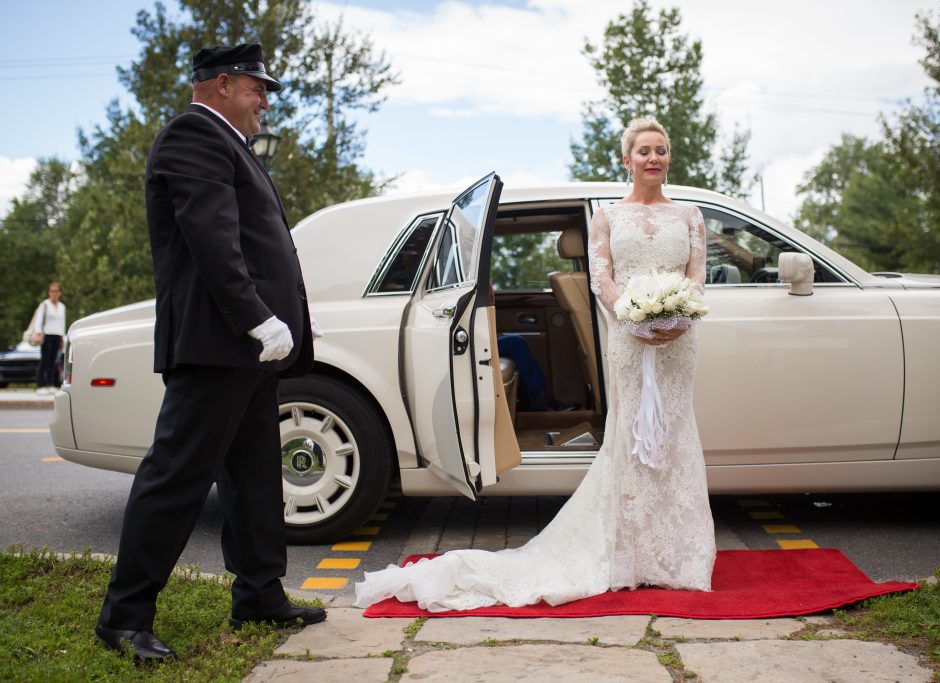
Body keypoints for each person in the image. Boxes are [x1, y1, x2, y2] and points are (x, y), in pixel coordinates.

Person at [353, 117, 715, 611]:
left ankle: (677, 556)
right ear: (626, 160)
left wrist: (677, 315)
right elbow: (602, 278)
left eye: (662, 150)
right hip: (630, 341)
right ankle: (628, 553)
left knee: (676, 434)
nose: (654, 158)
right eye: (644, 151)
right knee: (629, 436)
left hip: (679, 342)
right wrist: (634, 318)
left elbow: (697, 275)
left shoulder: (690, 215)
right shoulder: (607, 216)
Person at [95, 43, 325, 662]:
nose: (265, 102)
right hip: (219, 342)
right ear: (222, 84)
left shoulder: (230, 145)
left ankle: (258, 593)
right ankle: (124, 616)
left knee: (254, 478)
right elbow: (212, 242)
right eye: (258, 89)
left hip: (248, 350)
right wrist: (257, 319)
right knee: (176, 477)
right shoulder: (193, 137)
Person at [29, 282, 66, 394]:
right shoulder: (44, 305)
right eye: (52, 291)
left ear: (60, 293)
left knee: (53, 361)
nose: (54, 293)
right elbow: (39, 321)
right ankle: (40, 385)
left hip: (57, 335)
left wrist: (62, 337)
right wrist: (39, 334)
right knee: (44, 360)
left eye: (56, 291)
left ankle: (50, 384)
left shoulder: (62, 306)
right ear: (49, 292)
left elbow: (62, 322)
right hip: (46, 335)